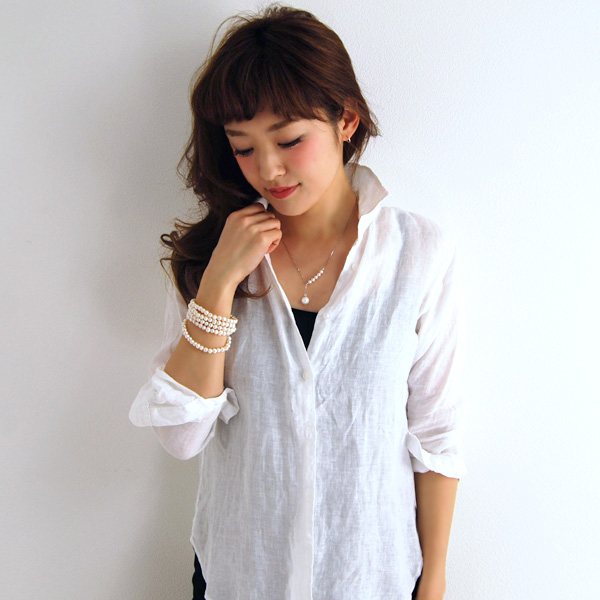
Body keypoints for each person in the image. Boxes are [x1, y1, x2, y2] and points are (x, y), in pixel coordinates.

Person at [129, 5, 466, 600]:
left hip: (371, 576)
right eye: (243, 147)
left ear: (346, 120)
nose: (269, 169)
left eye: (289, 140)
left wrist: (433, 582)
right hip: (241, 576)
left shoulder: (417, 253)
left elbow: (436, 433)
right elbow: (181, 436)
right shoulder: (214, 256)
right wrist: (218, 283)